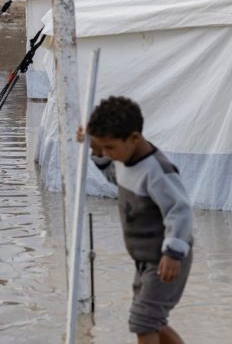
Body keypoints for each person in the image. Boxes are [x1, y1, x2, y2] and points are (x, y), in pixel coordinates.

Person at [79, 96, 192, 344]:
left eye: (109, 147)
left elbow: (180, 210)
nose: (107, 153)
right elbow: (113, 175)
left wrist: (173, 253)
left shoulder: (157, 171)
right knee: (153, 320)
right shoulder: (123, 159)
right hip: (145, 259)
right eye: (101, 148)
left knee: (144, 322)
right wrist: (95, 149)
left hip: (166, 257)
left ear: (134, 138)